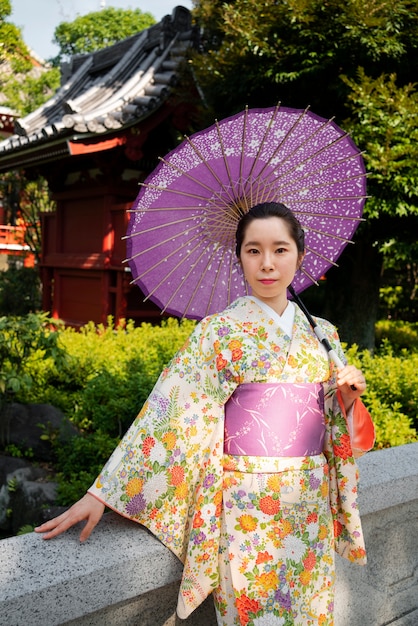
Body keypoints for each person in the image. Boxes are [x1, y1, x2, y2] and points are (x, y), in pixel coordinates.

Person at [36, 202, 375, 626]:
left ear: (300, 256)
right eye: (253, 251)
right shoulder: (218, 332)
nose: (267, 263)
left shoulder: (323, 334)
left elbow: (337, 431)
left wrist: (348, 396)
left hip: (309, 504)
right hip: (246, 508)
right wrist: (103, 492)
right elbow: (170, 414)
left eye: (280, 250)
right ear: (239, 257)